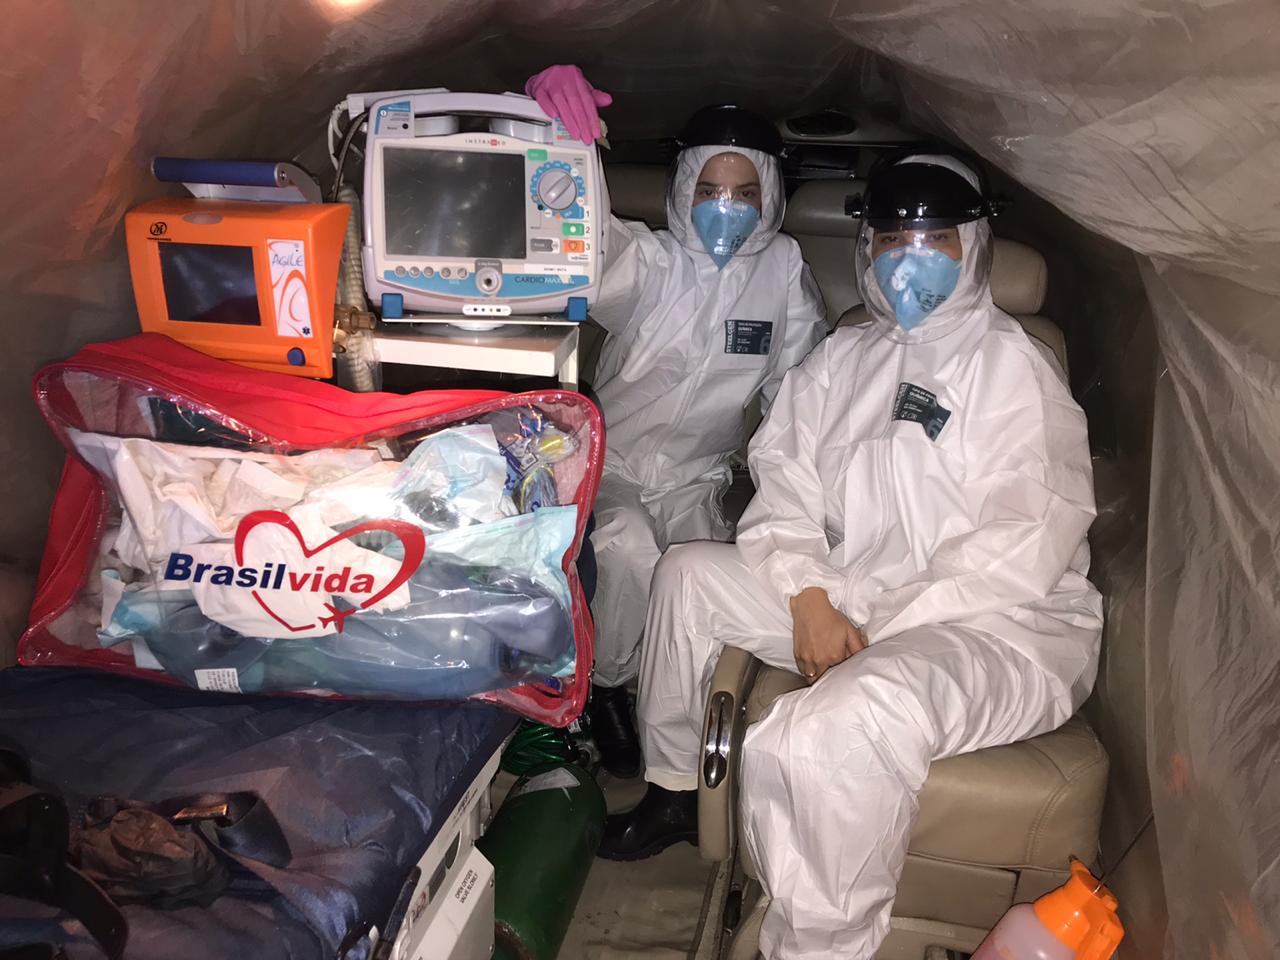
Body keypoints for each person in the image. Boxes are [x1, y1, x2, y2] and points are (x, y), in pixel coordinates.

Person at [598, 153, 1104, 960]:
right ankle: (673, 788)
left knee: (843, 724)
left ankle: (819, 947)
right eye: (892, 240)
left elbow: (1023, 545)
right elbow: (783, 483)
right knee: (687, 576)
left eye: (934, 240)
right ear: (868, 249)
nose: (909, 261)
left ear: (975, 246)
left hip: (998, 625)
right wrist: (809, 595)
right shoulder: (845, 359)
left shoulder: (1015, 370)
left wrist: (875, 624)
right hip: (859, 593)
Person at [525, 65, 828, 776]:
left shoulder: (782, 271)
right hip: (613, 464)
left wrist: (800, 489)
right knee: (629, 548)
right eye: (710, 190)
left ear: (770, 197)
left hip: (699, 475)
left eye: (745, 194)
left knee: (693, 583)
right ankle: (606, 688)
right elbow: (586, 245)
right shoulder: (653, 262)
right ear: (683, 190)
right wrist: (560, 147)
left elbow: (799, 388)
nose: (727, 208)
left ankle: (666, 729)